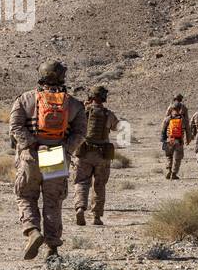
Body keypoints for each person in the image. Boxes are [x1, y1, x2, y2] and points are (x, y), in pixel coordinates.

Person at [9, 60, 86, 259]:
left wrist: (30, 145)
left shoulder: (25, 99)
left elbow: (16, 127)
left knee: (26, 196)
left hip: (31, 156)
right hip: (56, 155)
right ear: (62, 76)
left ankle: (33, 231)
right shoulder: (74, 104)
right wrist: (65, 150)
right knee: (53, 201)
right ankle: (52, 248)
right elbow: (79, 133)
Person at [72, 86, 119, 226]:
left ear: (90, 97)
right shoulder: (108, 114)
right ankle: (96, 217)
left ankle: (80, 208)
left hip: (83, 153)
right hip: (102, 155)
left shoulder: (82, 112)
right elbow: (117, 127)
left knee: (81, 182)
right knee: (99, 186)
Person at [161, 98, 188, 179]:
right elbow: (188, 130)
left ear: (172, 109)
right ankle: (174, 173)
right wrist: (188, 139)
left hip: (169, 140)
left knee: (169, 156)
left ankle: (169, 170)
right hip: (179, 140)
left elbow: (163, 128)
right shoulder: (183, 119)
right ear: (180, 109)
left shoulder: (168, 118)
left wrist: (163, 139)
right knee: (177, 158)